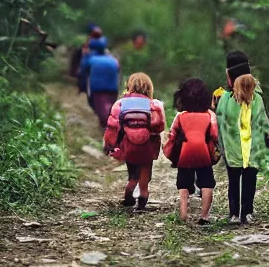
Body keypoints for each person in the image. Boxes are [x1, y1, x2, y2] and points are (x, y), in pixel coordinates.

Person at [216, 51, 269, 224]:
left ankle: (234, 214)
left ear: (229, 77)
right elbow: (264, 122)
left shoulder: (225, 99)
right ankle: (247, 212)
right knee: (249, 181)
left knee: (234, 183)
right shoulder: (257, 99)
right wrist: (268, 139)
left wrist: (219, 144)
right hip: (252, 150)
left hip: (233, 150)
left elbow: (219, 121)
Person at [103, 73, 165, 211]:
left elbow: (113, 127)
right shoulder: (153, 104)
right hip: (147, 146)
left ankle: (129, 194)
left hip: (128, 145)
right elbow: (159, 126)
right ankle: (143, 198)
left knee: (133, 173)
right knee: (145, 170)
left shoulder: (120, 104)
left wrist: (109, 145)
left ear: (129, 86)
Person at [163, 78, 219, 225]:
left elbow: (173, 134)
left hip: (184, 152)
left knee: (183, 183)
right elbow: (214, 134)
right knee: (207, 182)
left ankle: (183, 213)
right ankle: (205, 215)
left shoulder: (180, 116)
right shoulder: (208, 115)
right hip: (203, 152)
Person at [79, 36, 120, 128]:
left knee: (101, 109)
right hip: (113, 88)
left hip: (97, 88)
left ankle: (109, 129)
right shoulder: (113, 60)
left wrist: (84, 55)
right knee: (110, 108)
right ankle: (110, 126)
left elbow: (83, 69)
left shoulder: (91, 59)